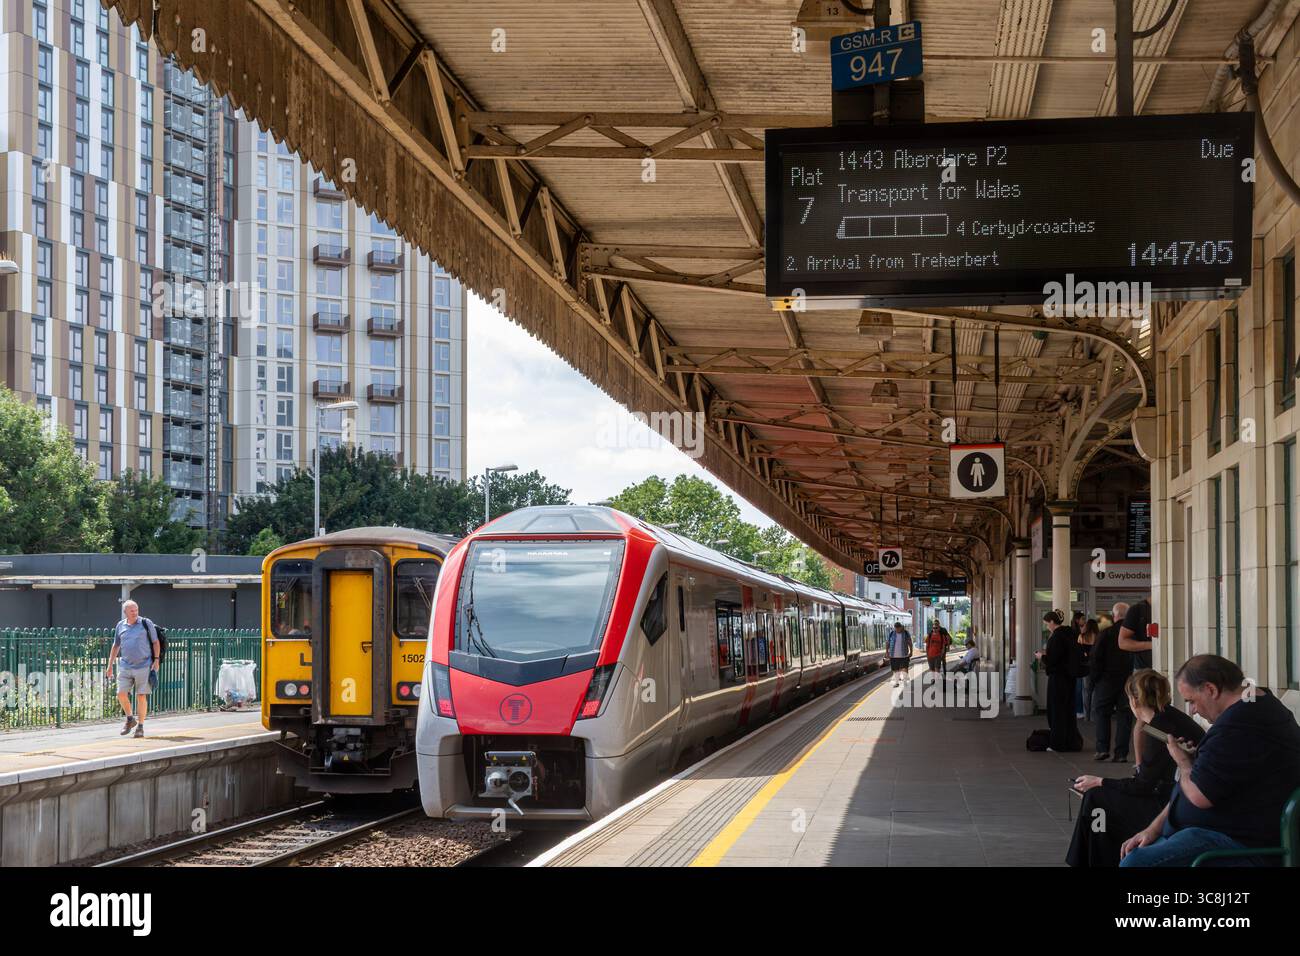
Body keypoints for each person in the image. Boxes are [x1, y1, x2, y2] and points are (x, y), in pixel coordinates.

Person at [1120, 655, 1300, 867]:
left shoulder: (1237, 727)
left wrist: (1183, 762)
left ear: (1210, 689)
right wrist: (1153, 829)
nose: (1192, 710)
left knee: (1135, 862)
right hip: (1216, 829)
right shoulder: (1258, 703)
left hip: (1239, 843)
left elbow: (1198, 795)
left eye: (1191, 701)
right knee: (1137, 849)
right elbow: (1196, 784)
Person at [1066, 669, 1205, 866]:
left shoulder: (1159, 728)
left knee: (1095, 798)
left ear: (1134, 700)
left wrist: (1100, 782)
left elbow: (1143, 786)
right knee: (1098, 801)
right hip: (1176, 796)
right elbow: (1146, 773)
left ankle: (1090, 861)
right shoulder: (1166, 718)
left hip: (1171, 805)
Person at [104, 599, 161, 738]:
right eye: (132, 611)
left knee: (141, 695)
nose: (135, 613)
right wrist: (110, 665)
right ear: (125, 612)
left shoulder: (145, 623)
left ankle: (140, 726)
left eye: (136, 610)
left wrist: (156, 659)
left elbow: (155, 642)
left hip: (144, 665)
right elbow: (116, 645)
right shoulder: (120, 625)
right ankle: (130, 719)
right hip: (125, 665)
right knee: (121, 693)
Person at [1090, 602, 1134, 762]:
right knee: (1125, 716)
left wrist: (1095, 679)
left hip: (1106, 681)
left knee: (1102, 713)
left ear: (1114, 615)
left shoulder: (1106, 633)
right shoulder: (1133, 634)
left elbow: (1096, 658)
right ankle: (1121, 753)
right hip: (1128, 680)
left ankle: (1102, 749)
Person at [1037, 610, 1083, 751]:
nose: (1047, 626)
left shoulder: (1056, 637)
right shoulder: (1070, 634)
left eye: (1047, 623)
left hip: (1058, 678)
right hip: (1069, 677)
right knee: (1068, 710)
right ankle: (1071, 741)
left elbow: (1053, 661)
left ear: (1052, 622)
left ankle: (1058, 743)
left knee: (1057, 710)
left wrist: (1041, 657)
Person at [1073, 618, 1098, 720]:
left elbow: (1078, 652)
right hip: (1096, 666)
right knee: (1095, 690)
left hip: (1085, 666)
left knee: (1086, 691)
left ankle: (1086, 715)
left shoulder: (1081, 637)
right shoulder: (1098, 637)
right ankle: (1093, 715)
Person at [887, 621, 912, 687]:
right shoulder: (892, 633)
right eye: (896, 628)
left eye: (898, 628)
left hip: (904, 655)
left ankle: (905, 681)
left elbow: (910, 642)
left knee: (905, 668)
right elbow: (888, 643)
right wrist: (887, 652)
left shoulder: (906, 633)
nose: (897, 629)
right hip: (893, 655)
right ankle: (897, 682)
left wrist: (911, 651)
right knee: (895, 670)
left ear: (901, 627)